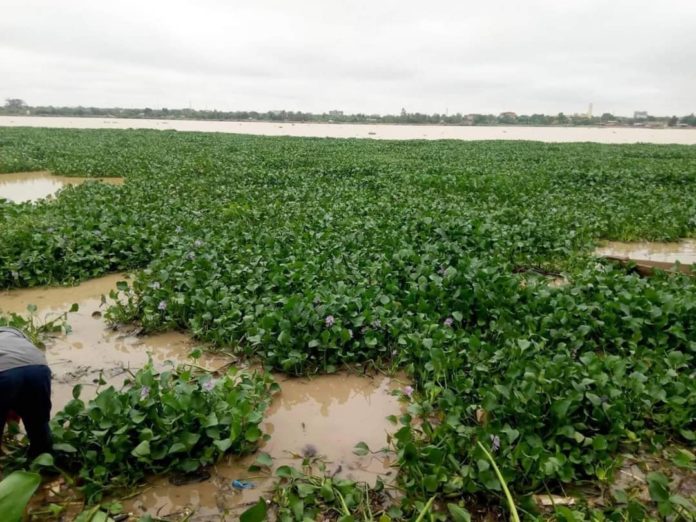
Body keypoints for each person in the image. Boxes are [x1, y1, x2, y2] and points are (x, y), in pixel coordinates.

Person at [0, 327, 52, 458]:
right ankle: (42, 465)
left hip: (3, 372)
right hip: (38, 368)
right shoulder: (13, 331)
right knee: (38, 424)